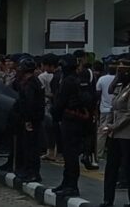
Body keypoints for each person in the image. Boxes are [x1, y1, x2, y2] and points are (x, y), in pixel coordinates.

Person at [51, 57, 87, 198]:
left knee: (70, 155)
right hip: (75, 121)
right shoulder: (77, 80)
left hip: (70, 121)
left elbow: (60, 102)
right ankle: (67, 183)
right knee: (69, 155)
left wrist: (55, 114)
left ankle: (71, 186)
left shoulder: (68, 82)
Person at [99, 57, 130, 207]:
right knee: (111, 167)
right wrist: (118, 76)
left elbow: (128, 114)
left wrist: (114, 126)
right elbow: (112, 97)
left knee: (127, 168)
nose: (120, 70)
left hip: (126, 134)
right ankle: (107, 200)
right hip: (115, 134)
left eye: (124, 68)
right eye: (119, 68)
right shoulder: (120, 86)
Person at [15, 59, 45, 183]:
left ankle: (33, 173)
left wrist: (28, 120)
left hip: (32, 120)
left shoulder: (31, 84)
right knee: (29, 146)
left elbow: (29, 103)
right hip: (33, 119)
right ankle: (29, 171)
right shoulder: (32, 82)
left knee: (31, 147)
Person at [97, 63, 117, 161]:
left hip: (104, 109)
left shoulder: (102, 79)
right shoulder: (119, 79)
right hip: (116, 110)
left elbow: (98, 92)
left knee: (102, 132)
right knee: (116, 131)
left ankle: (99, 153)